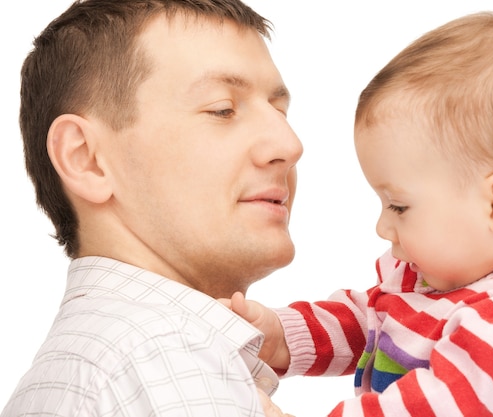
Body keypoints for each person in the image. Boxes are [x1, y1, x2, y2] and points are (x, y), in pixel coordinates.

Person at [223, 12, 493, 416]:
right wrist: (282, 337)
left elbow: (432, 406)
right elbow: (376, 320)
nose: (382, 227)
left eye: (399, 206)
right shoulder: (452, 271)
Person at [2, 0, 302, 416]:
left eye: (280, 111)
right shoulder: (157, 357)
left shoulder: (96, 364)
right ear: (85, 158)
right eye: (223, 109)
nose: (290, 146)